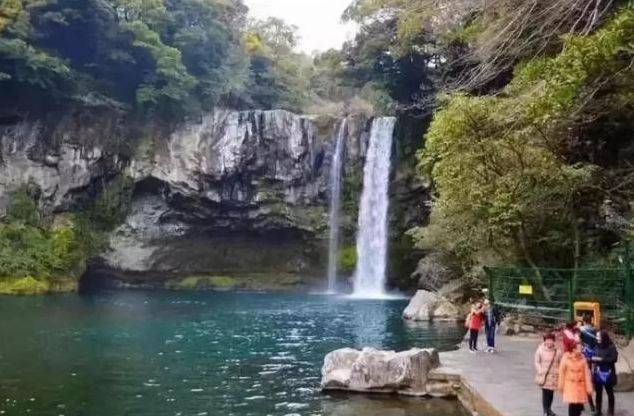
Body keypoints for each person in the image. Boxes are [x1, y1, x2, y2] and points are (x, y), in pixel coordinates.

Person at [558, 341, 594, 416]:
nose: (581, 350)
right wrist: (561, 386)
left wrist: (589, 388)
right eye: (579, 348)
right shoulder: (566, 358)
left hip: (581, 386)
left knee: (578, 408)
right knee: (572, 406)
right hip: (570, 386)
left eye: (581, 348)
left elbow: (587, 374)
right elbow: (561, 373)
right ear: (573, 349)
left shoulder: (583, 358)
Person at [591, 330, 618, 416]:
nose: (597, 338)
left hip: (608, 374)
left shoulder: (611, 347)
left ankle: (610, 411)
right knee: (598, 393)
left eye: (598, 336)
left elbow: (614, 359)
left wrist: (601, 359)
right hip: (598, 373)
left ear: (604, 337)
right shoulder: (596, 346)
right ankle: (598, 411)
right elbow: (593, 356)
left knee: (610, 393)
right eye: (597, 336)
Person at [535, 332, 561, 416]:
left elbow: (561, 362)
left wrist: (559, 371)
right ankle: (546, 410)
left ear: (553, 341)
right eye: (547, 340)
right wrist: (540, 370)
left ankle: (549, 409)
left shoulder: (558, 351)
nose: (549, 342)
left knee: (550, 393)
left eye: (551, 340)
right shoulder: (540, 350)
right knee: (545, 393)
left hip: (553, 375)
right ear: (545, 341)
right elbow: (537, 361)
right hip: (544, 375)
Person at [579, 315, 598, 412]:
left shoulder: (581, 329)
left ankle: (582, 405)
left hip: (584, 354)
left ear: (583, 321)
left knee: (584, 379)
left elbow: (580, 341)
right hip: (593, 355)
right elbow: (596, 342)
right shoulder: (595, 329)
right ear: (591, 320)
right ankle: (592, 407)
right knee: (590, 376)